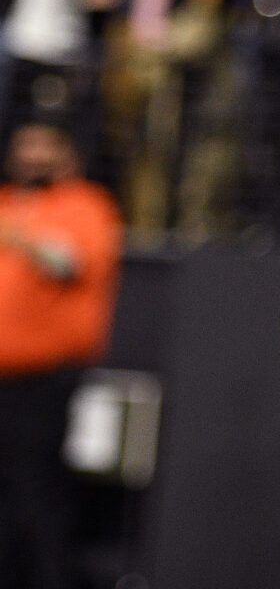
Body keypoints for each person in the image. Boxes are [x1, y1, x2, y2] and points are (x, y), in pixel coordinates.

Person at [0, 118, 124, 589]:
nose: (33, 156)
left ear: (67, 154)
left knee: (37, 494)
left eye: (44, 146)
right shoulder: (6, 201)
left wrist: (23, 239)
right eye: (24, 145)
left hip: (42, 379)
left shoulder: (84, 205)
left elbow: (69, 263)